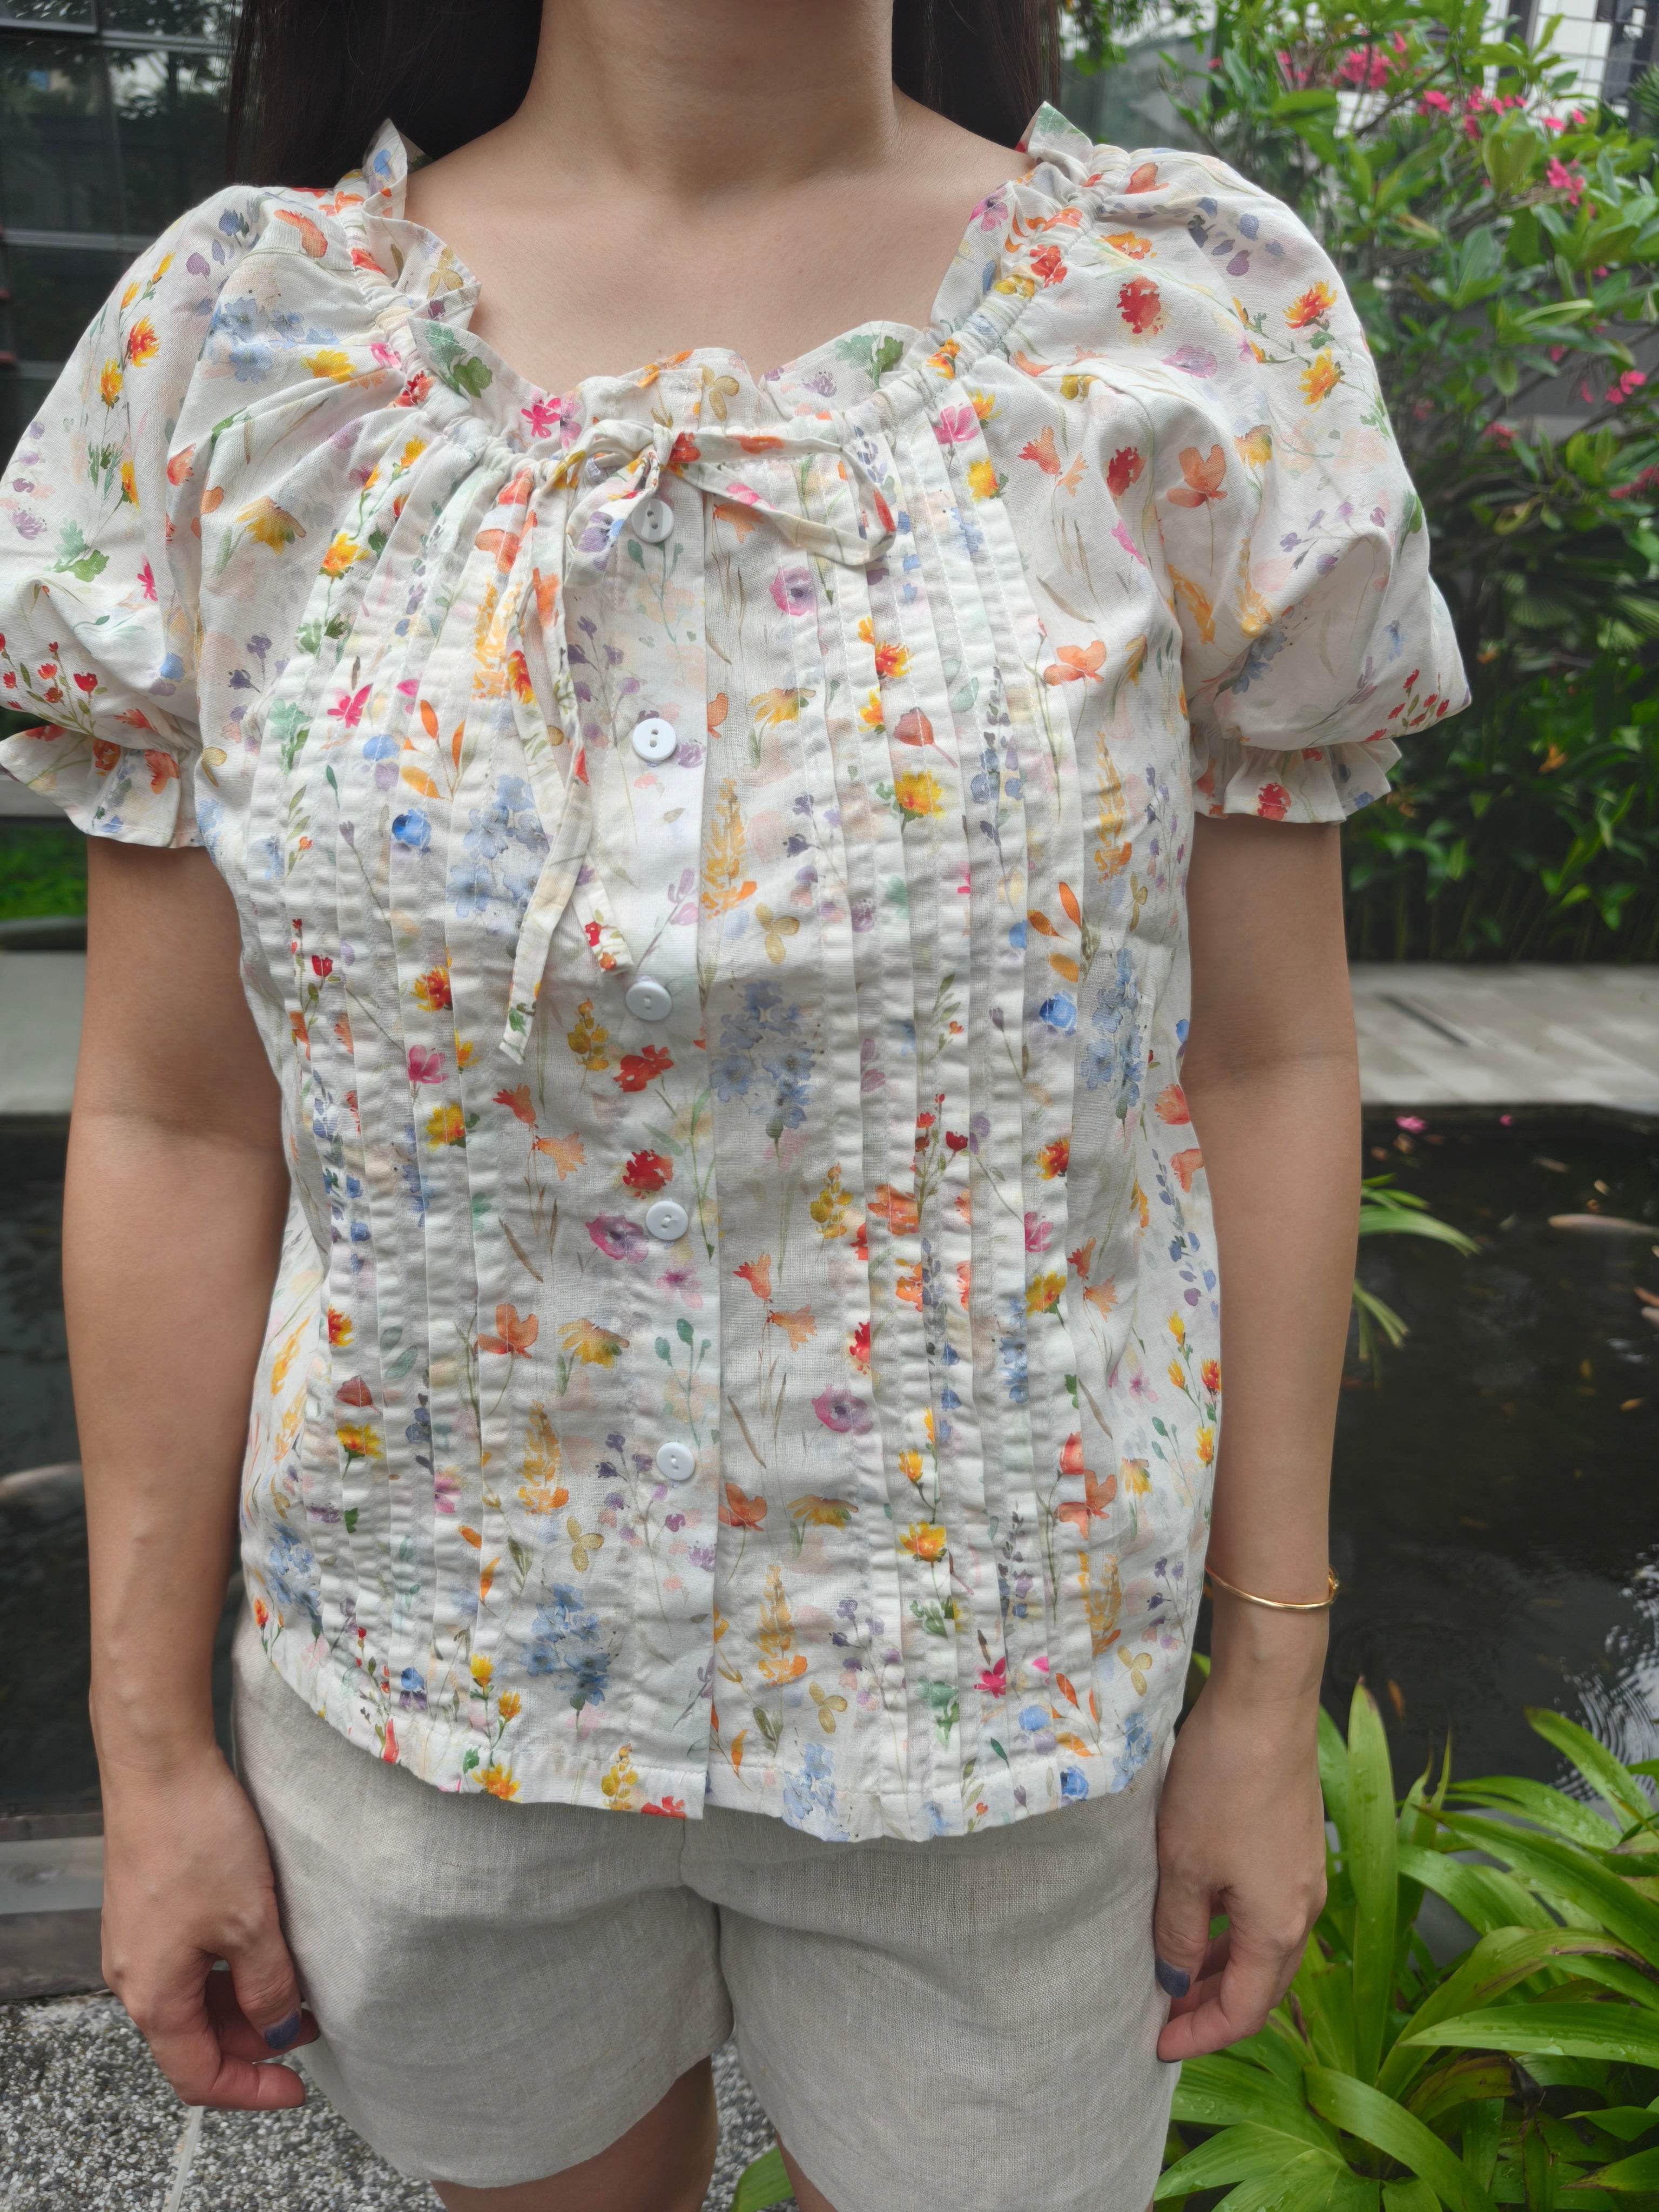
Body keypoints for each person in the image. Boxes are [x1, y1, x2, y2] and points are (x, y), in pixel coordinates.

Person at [0, 2, 1465, 2206]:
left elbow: (1262, 1062)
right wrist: (151, 1749)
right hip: (427, 1708)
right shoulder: (240, 349)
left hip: (1009, 1731)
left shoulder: (1182, 321)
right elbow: (176, 1119)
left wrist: (1267, 1684)